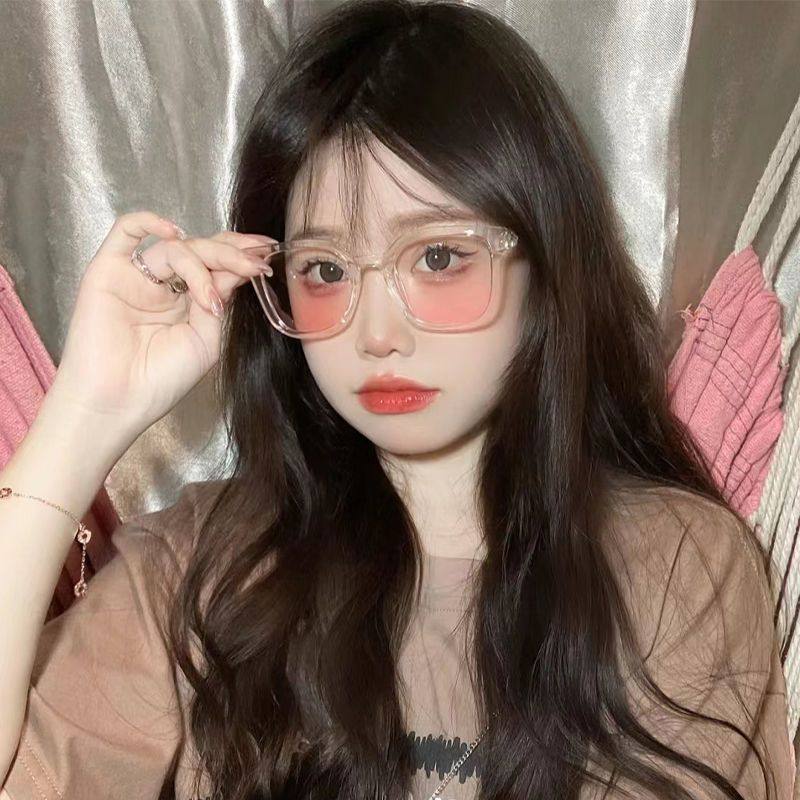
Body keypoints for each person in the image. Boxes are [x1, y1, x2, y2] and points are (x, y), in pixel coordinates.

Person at [0, 0, 795, 798]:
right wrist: (82, 418)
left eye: (438, 257)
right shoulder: (199, 571)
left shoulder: (676, 566)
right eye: (325, 270)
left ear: (548, 264)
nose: (377, 334)